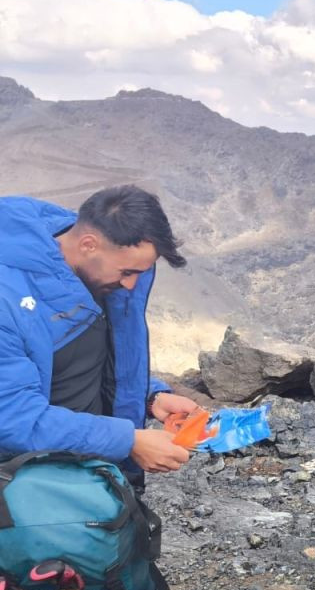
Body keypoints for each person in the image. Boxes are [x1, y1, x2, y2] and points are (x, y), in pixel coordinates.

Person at [0, 187, 197, 479]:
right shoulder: (8, 298)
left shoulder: (96, 274)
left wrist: (150, 396)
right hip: (26, 486)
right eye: (127, 272)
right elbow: (12, 417)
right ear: (89, 244)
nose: (130, 285)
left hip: (88, 467)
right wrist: (128, 440)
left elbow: (86, 360)